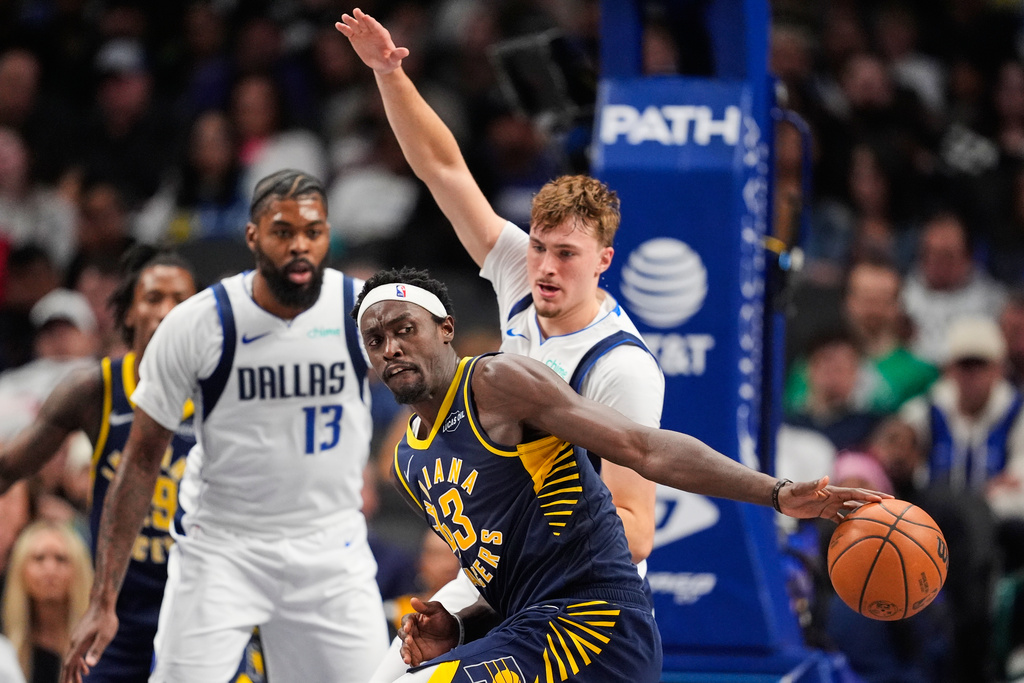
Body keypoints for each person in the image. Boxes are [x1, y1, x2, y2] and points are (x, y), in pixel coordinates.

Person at [352, 267, 888, 682]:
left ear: (445, 329)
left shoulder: (495, 383)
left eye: (405, 330)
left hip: (596, 624)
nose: (392, 347)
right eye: (377, 341)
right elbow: (509, 576)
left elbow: (642, 447)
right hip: (531, 628)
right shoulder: (409, 460)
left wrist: (776, 492)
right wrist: (461, 625)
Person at [336, 9, 664, 680]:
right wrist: (388, 73)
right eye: (539, 246)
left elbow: (635, 526)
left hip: (578, 586)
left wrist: (505, 530)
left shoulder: (621, 366)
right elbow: (442, 168)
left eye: (566, 254)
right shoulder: (519, 268)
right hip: (499, 567)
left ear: (603, 260)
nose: (545, 266)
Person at [61, 169, 389, 683]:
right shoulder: (198, 323)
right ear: (253, 235)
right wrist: (102, 600)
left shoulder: (364, 309)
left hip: (330, 547)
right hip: (223, 548)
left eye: (313, 231)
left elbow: (437, 395)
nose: (300, 246)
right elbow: (141, 459)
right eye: (283, 232)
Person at [0, 244, 197, 682]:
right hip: (114, 615)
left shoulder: (221, 395)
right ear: (128, 313)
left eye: (180, 300)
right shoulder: (95, 390)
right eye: (153, 298)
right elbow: (8, 468)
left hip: (197, 611)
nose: (166, 311)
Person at [2, 521, 93, 683]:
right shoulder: (5, 643)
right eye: (39, 558)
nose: (50, 570)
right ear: (19, 569)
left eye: (61, 559)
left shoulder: (95, 647)